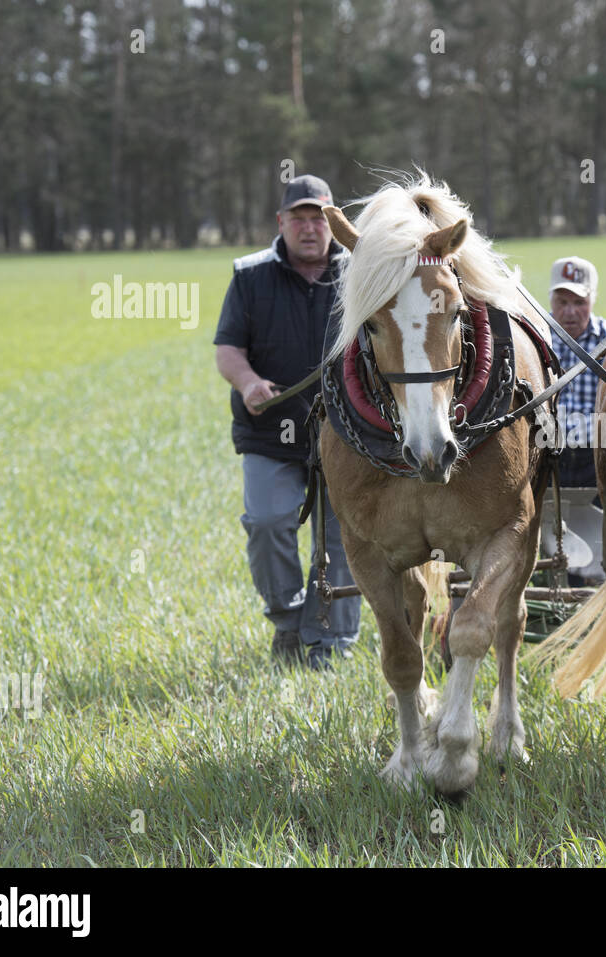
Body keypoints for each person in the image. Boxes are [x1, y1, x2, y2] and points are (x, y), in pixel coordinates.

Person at [212, 174, 361, 670]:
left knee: (341, 535)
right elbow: (228, 349)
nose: (310, 227)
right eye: (299, 218)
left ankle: (333, 644)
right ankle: (287, 620)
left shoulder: (362, 273)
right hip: (271, 430)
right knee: (268, 522)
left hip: (348, 432)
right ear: (281, 223)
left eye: (320, 217)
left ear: (334, 223)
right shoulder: (250, 276)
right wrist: (249, 383)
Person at [545, 256, 606, 584]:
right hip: (547, 458)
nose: (570, 311)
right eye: (562, 302)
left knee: (599, 534)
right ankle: (554, 580)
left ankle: (598, 577)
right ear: (550, 301)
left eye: (579, 302)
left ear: (593, 300)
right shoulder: (538, 340)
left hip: (595, 458)